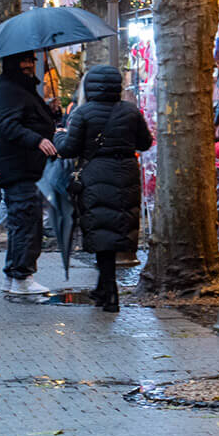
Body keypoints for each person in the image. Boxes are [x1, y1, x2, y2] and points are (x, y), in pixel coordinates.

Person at [55, 65, 151, 312]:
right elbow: (145, 142)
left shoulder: (82, 112)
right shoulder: (130, 111)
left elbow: (68, 149)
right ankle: (104, 289)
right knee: (117, 227)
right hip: (126, 172)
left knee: (101, 230)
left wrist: (58, 136)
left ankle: (110, 293)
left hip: (96, 173)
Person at [0, 52, 59, 295]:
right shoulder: (8, 89)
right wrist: (37, 139)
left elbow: (24, 119)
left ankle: (14, 274)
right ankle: (22, 276)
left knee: (23, 221)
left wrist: (51, 113)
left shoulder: (18, 88)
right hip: (19, 166)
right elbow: (10, 125)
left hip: (24, 165)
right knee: (27, 222)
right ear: (12, 63)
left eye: (32, 60)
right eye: (24, 61)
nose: (30, 65)